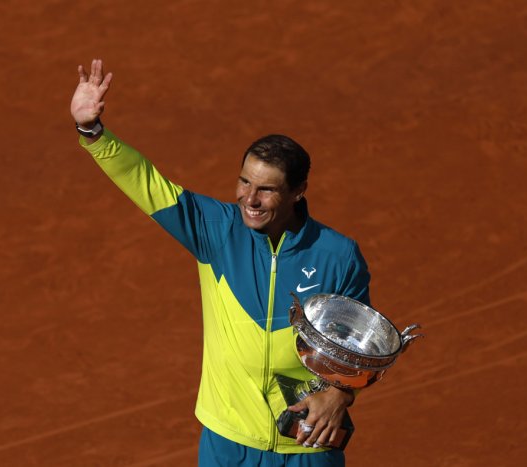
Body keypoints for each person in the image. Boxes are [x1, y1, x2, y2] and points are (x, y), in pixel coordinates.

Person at [70, 58, 371, 467]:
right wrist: (92, 131)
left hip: (307, 448)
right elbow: (146, 183)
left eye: (266, 189)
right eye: (245, 181)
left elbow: (359, 350)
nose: (249, 199)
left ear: (299, 191)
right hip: (227, 442)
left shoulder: (338, 255)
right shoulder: (215, 231)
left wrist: (340, 395)